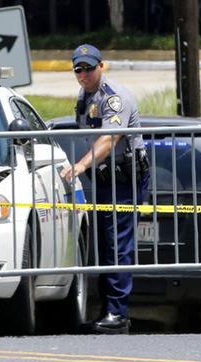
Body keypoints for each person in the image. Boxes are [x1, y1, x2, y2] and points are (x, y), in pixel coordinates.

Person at [60, 44, 150, 334]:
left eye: (88, 67)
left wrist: (81, 165)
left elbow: (110, 138)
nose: (83, 73)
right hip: (105, 179)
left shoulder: (114, 97)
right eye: (78, 69)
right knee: (105, 244)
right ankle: (107, 309)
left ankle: (118, 313)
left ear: (102, 66)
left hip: (124, 180)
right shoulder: (84, 94)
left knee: (117, 245)